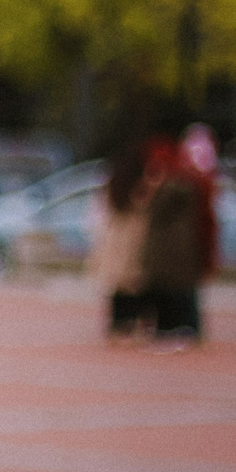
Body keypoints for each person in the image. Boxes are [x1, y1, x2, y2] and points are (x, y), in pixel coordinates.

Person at [139, 128, 218, 348]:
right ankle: (185, 327)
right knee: (181, 290)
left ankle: (176, 329)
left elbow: (155, 210)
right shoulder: (190, 179)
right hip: (182, 248)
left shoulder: (172, 181)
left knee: (172, 291)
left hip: (171, 249)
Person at [93, 138, 152, 340]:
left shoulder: (113, 182)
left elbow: (101, 211)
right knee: (136, 284)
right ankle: (136, 323)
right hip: (136, 235)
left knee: (117, 284)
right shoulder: (143, 184)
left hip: (115, 237)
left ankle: (118, 325)